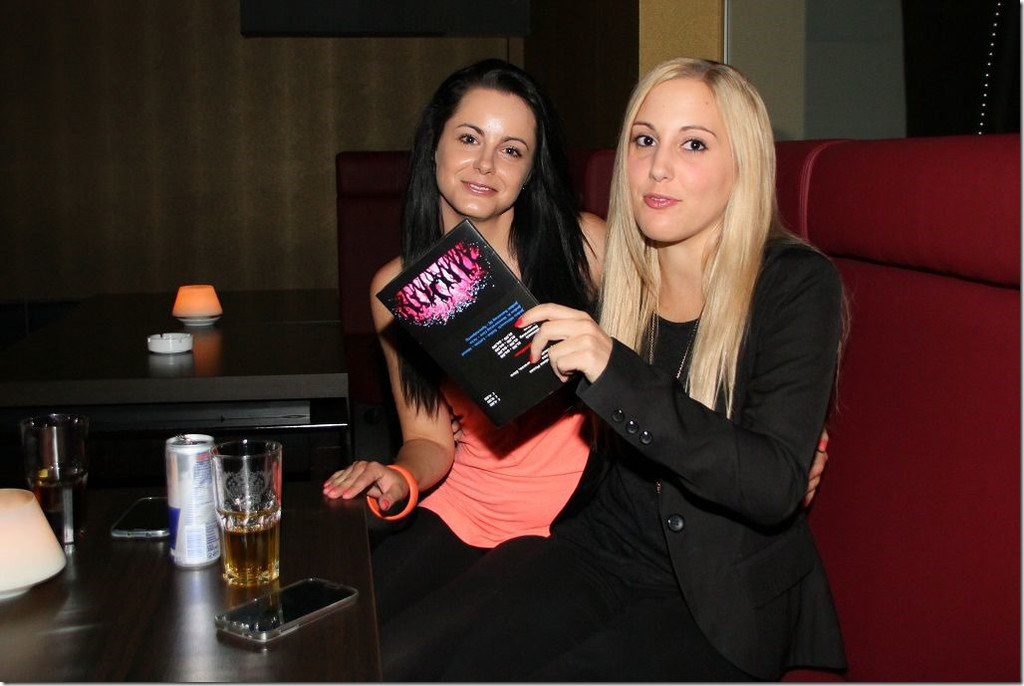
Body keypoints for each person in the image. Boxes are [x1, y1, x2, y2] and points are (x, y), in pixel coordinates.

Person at [378, 57, 848, 681]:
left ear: (745, 164)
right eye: (645, 140)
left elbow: (768, 483)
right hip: (593, 551)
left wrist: (797, 440)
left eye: (694, 144)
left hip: (713, 595)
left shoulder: (794, 282)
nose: (659, 167)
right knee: (408, 662)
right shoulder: (620, 273)